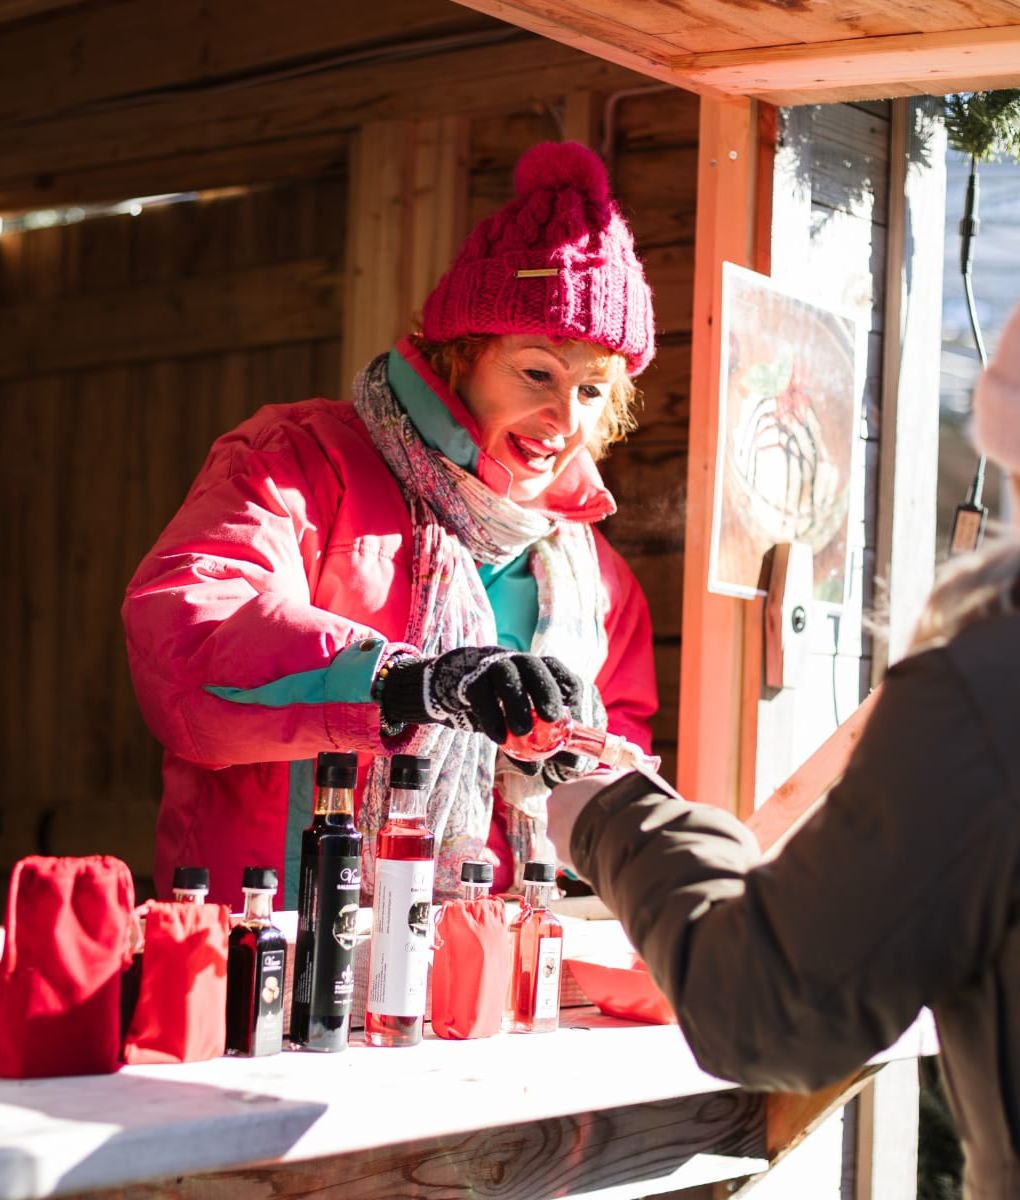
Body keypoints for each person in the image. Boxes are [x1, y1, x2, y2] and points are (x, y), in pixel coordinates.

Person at [547, 298, 1020, 1198]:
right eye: (537, 372)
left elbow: (773, 1008)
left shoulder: (987, 692)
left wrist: (608, 814)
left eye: (589, 388)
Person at [122, 140, 659, 910]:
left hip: (487, 968)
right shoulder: (300, 460)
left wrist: (574, 753)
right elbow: (184, 641)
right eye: (536, 371)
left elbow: (619, 754)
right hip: (274, 938)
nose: (561, 419)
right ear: (459, 358)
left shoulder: (593, 575)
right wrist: (410, 682)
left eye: (592, 390)